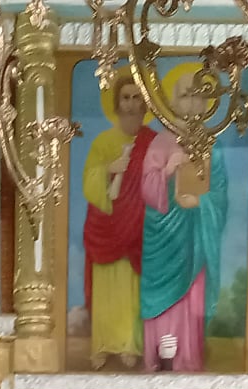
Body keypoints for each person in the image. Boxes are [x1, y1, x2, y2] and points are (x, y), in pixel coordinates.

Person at [135, 73, 226, 371]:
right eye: (185, 94)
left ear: (205, 103)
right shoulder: (160, 142)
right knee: (161, 302)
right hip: (163, 236)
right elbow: (145, 188)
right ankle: (158, 359)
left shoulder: (213, 146)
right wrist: (167, 171)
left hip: (195, 235)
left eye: (197, 95)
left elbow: (221, 193)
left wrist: (201, 202)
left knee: (191, 295)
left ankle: (186, 360)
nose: (192, 101)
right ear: (174, 101)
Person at [81, 77, 154, 368]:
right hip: (106, 223)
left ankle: (129, 345)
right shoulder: (104, 142)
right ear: (116, 104)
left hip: (139, 223)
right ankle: (102, 344)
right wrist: (108, 170)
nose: (132, 103)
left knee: (132, 287)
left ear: (146, 104)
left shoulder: (153, 142)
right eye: (126, 97)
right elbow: (89, 181)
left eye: (138, 97)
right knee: (106, 288)